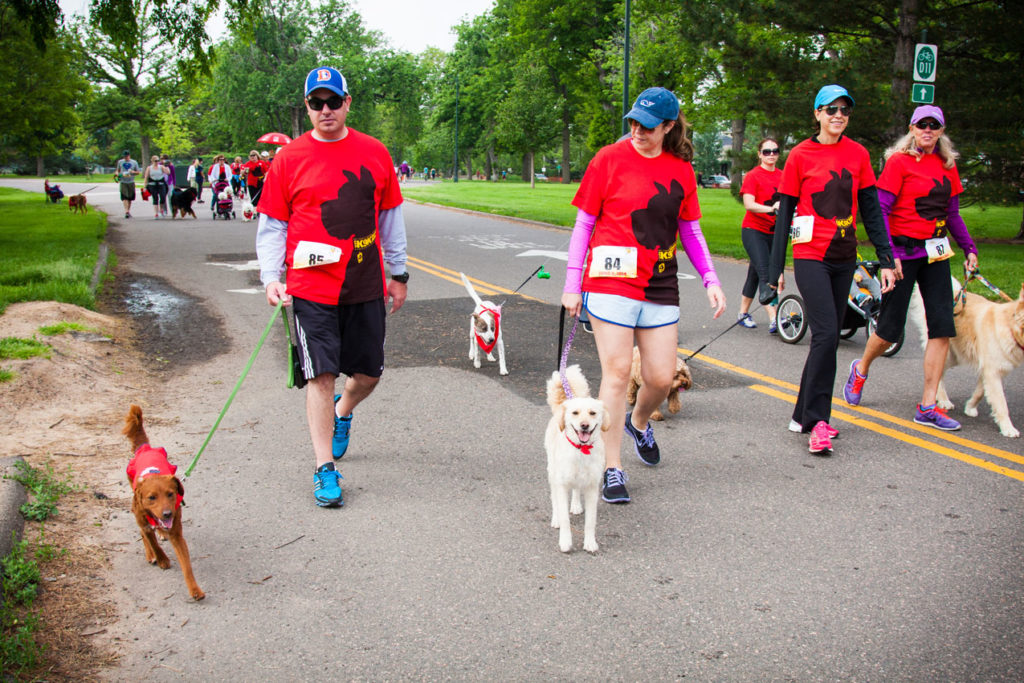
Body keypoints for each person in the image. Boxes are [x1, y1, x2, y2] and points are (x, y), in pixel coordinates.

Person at [561, 87, 726, 505]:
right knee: (616, 374)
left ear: (669, 127)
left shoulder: (681, 170)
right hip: (610, 280)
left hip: (659, 283)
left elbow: (690, 229)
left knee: (659, 377)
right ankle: (612, 468)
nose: (636, 130)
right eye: (633, 122)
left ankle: (637, 421)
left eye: (648, 126)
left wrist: (710, 278)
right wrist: (571, 282)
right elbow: (584, 224)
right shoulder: (608, 159)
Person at [256, 66, 408, 508]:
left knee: (369, 374)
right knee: (319, 376)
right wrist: (271, 278)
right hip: (310, 288)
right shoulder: (288, 159)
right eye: (316, 103)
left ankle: (344, 412)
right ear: (307, 107)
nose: (325, 110)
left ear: (347, 103)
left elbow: (390, 220)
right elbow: (272, 226)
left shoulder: (375, 152)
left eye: (333, 101)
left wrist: (398, 275)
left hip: (363, 283)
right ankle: (325, 469)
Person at [766, 84, 896, 455]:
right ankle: (819, 421)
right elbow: (785, 214)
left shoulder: (857, 154)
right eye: (831, 109)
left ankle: (801, 413)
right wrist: (774, 271)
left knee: (828, 334)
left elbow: (871, 209)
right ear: (817, 114)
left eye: (845, 110)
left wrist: (886, 259)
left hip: (845, 257)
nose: (838, 115)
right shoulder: (800, 156)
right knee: (825, 335)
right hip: (810, 255)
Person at [843, 105, 978, 430]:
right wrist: (889, 256)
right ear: (913, 128)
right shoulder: (899, 163)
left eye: (934, 126)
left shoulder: (947, 166)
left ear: (941, 130)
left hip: (935, 256)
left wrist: (970, 248)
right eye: (922, 125)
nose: (928, 130)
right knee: (889, 331)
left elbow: (954, 214)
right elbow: (882, 211)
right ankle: (861, 368)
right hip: (903, 255)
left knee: (942, 327)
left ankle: (927, 406)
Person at [737, 138, 783, 332]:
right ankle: (775, 319)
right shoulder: (753, 176)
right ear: (759, 154)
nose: (771, 154)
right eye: (766, 151)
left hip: (774, 233)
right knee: (767, 272)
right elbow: (749, 204)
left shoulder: (784, 176)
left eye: (774, 151)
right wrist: (772, 209)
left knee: (755, 274)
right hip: (753, 231)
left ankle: (742, 313)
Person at [116, 149, 140, 218]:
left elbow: (138, 172)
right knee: (124, 197)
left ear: (129, 155)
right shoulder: (120, 162)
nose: (125, 158)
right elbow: (117, 170)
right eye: (124, 156)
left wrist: (133, 172)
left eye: (126, 156)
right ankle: (126, 211)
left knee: (130, 198)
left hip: (131, 181)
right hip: (123, 181)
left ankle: (128, 211)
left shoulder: (134, 162)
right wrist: (117, 174)